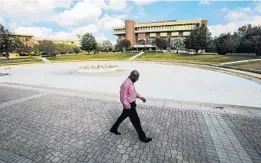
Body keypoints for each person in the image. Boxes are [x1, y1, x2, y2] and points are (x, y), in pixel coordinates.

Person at [110, 70, 152, 143]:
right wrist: (129, 107)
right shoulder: (126, 84)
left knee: (122, 117)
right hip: (129, 106)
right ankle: (142, 137)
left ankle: (113, 129)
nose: (137, 79)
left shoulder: (131, 82)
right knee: (136, 122)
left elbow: (133, 92)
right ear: (132, 76)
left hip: (131, 105)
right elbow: (123, 98)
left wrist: (141, 97)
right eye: (136, 78)